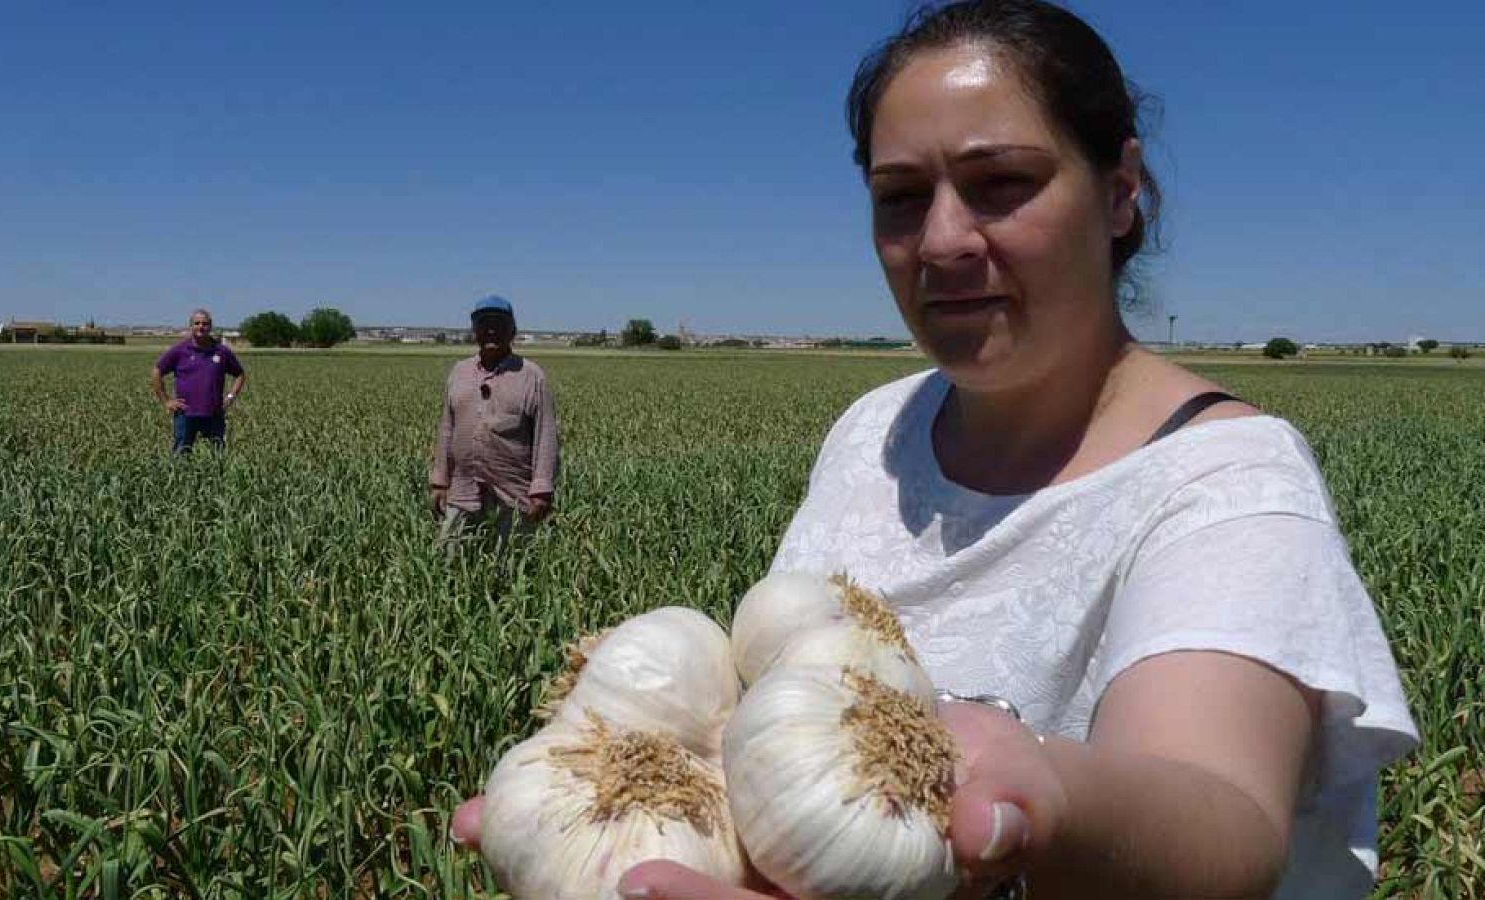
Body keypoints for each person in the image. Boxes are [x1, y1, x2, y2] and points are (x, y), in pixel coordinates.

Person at [452, 1, 1417, 897]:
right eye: (901, 196)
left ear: (1120, 193)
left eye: (1001, 184)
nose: (943, 240)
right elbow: (771, 706)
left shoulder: (1226, 480)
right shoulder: (871, 431)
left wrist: (1038, 794)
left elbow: (1226, 817)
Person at [430, 295, 560, 551]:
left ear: (512, 330)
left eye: (499, 323)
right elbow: (447, 429)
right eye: (484, 322)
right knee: (449, 556)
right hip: (463, 486)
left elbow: (545, 436)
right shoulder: (459, 372)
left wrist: (541, 489)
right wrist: (439, 480)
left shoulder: (531, 376)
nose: (491, 329)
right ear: (474, 330)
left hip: (513, 489)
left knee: (512, 561)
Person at [152, 308, 245, 454]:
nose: (201, 327)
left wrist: (230, 397)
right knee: (180, 455)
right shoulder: (180, 350)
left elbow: (239, 374)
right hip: (185, 414)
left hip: (214, 414)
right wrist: (166, 401)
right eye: (197, 323)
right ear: (191, 326)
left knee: (217, 456)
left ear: (210, 327)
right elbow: (157, 371)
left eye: (205, 323)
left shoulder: (221, 351)